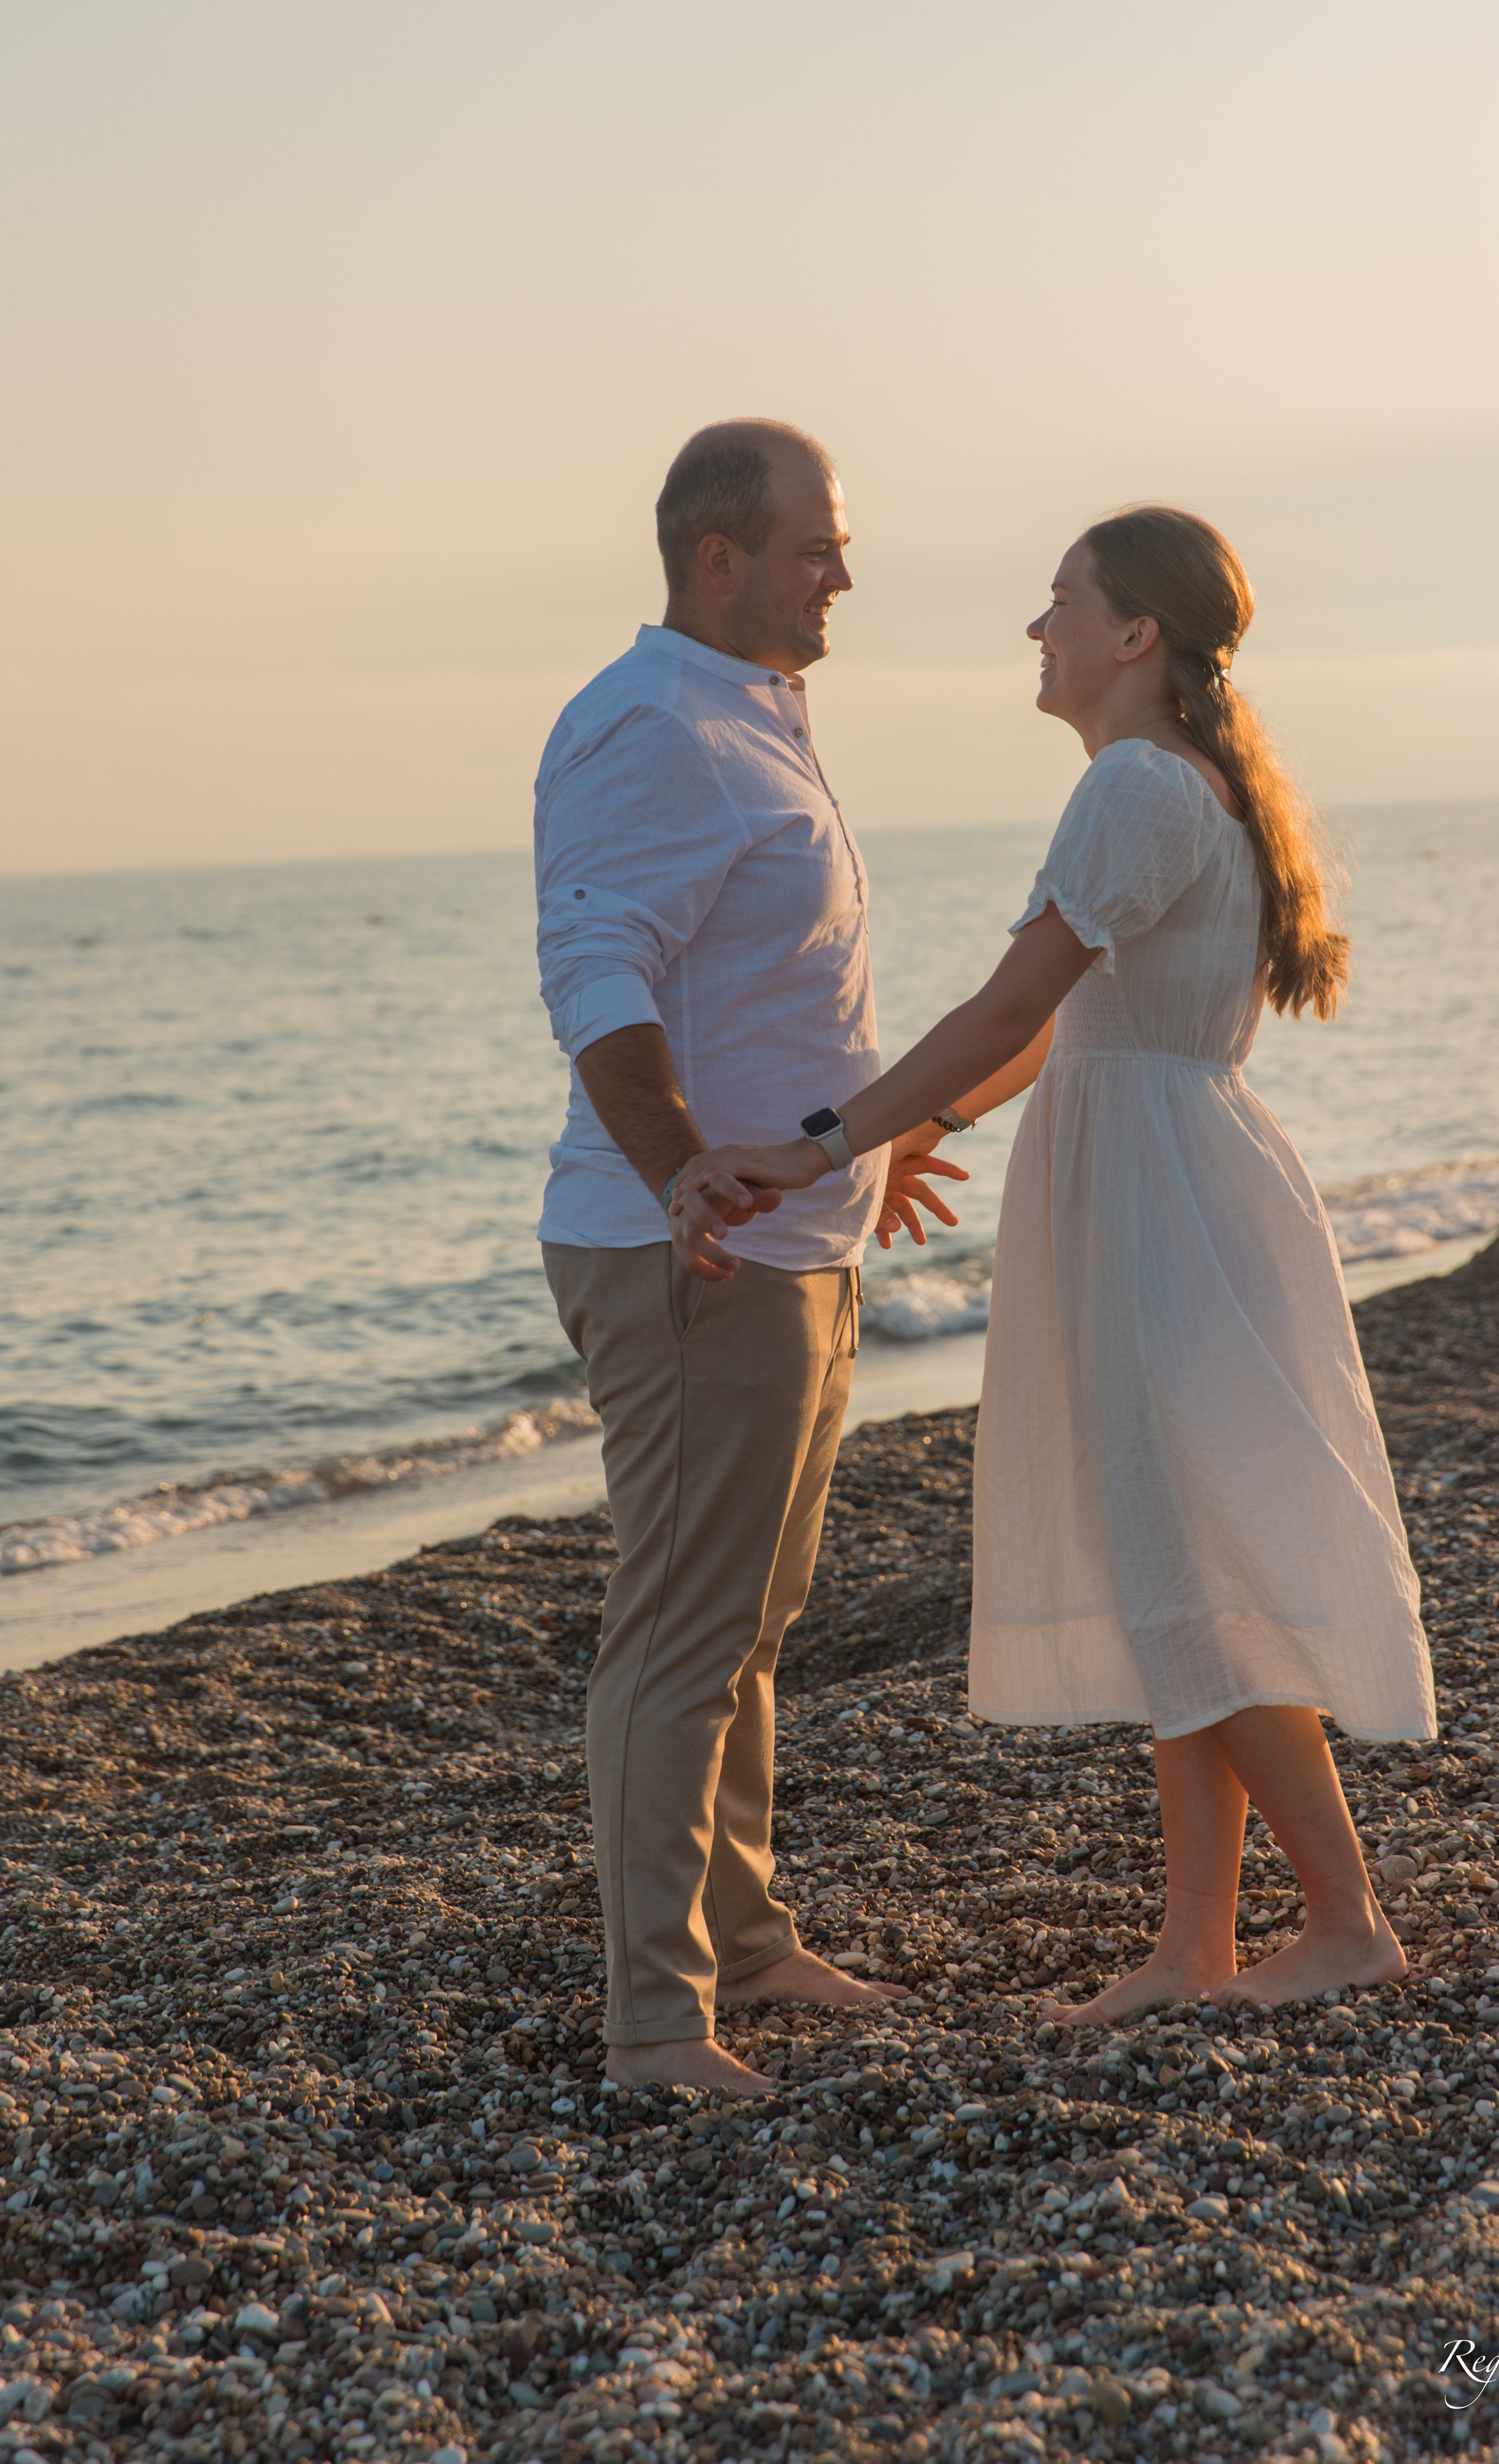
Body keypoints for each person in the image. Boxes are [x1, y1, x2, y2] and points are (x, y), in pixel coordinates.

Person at [676, 505, 1438, 2015]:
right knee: (1171, 1567)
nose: (1036, 630)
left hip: (1155, 1202)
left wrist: (825, 1142)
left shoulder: (1135, 787)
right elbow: (1049, 1032)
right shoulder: (1168, 783)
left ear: (1132, 635)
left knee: (1189, 1572)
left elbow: (999, 1001)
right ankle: (1191, 1947)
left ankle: (1343, 1926)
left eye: (1058, 602)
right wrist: (914, 1133)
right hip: (1163, 1175)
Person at [535, 418, 966, 2093]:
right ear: (716, 555)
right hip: (698, 1254)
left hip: (799, 1235)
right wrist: (679, 1177)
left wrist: (872, 1139)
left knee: (753, 1619)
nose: (842, 572)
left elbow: (760, 984)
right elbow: (598, 972)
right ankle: (655, 2021)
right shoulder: (650, 726)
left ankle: (749, 1941)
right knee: (683, 1629)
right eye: (814, 545)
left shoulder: (752, 718)